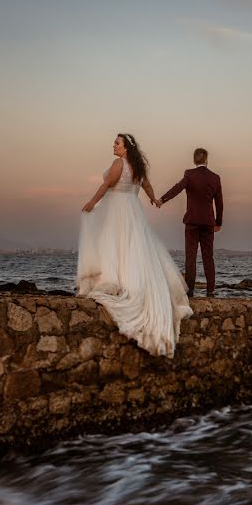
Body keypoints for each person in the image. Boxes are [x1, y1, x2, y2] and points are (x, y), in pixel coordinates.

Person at [77, 133, 192, 357]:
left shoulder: (119, 163)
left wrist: (92, 202)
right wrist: (154, 199)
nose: (113, 145)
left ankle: (117, 282)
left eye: (117, 143)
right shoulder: (137, 167)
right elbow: (147, 186)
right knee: (132, 249)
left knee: (115, 246)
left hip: (118, 210)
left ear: (126, 148)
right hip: (133, 211)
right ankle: (128, 281)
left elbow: (107, 185)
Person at [156, 147, 223, 297]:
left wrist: (162, 200)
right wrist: (218, 223)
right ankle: (210, 290)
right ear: (206, 160)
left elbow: (177, 188)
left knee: (190, 256)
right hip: (208, 223)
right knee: (208, 256)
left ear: (194, 160)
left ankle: (190, 290)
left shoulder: (189, 174)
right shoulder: (215, 178)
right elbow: (219, 203)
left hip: (192, 222)